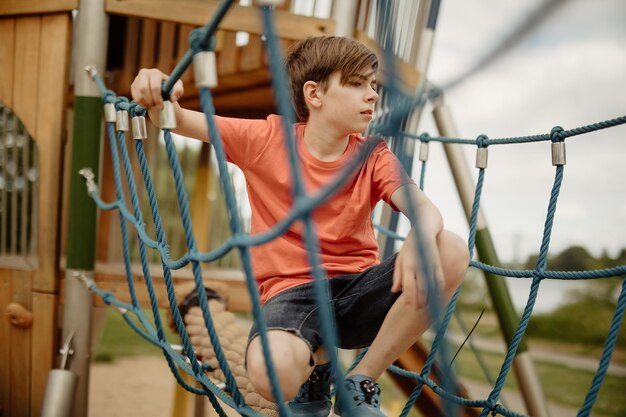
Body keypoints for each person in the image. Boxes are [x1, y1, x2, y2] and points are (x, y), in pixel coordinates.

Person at [131, 35, 469, 417]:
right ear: (315, 94)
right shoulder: (266, 139)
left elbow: (425, 210)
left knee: (452, 248)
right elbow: (170, 118)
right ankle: (315, 369)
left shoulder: (373, 154)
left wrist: (418, 237)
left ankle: (361, 381)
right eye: (356, 84)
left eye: (374, 85)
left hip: (357, 292)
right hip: (293, 296)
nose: (372, 95)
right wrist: (156, 86)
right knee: (270, 374)